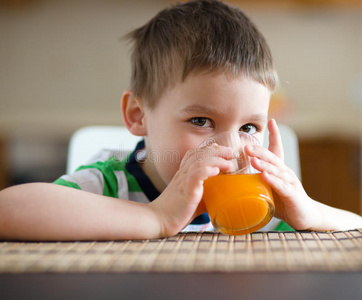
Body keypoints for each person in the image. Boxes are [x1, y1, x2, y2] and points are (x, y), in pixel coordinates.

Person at [0, 0, 361, 241]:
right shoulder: (111, 185)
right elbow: (8, 211)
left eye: (249, 128)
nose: (231, 148)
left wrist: (309, 212)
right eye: (202, 120)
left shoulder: (262, 207)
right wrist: (156, 217)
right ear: (138, 115)